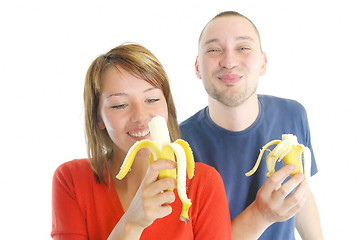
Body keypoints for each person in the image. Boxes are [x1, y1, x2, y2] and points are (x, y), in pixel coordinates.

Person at [51, 43, 232, 239]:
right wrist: (131, 223)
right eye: (120, 105)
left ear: (167, 107)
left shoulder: (203, 183)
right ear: (98, 118)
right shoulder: (72, 180)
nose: (140, 116)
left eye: (152, 100)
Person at [180, 11, 324, 239]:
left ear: (263, 63)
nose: (228, 61)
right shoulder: (179, 145)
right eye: (214, 50)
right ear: (198, 67)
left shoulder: (293, 115)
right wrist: (261, 215)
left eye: (243, 48)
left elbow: (299, 192)